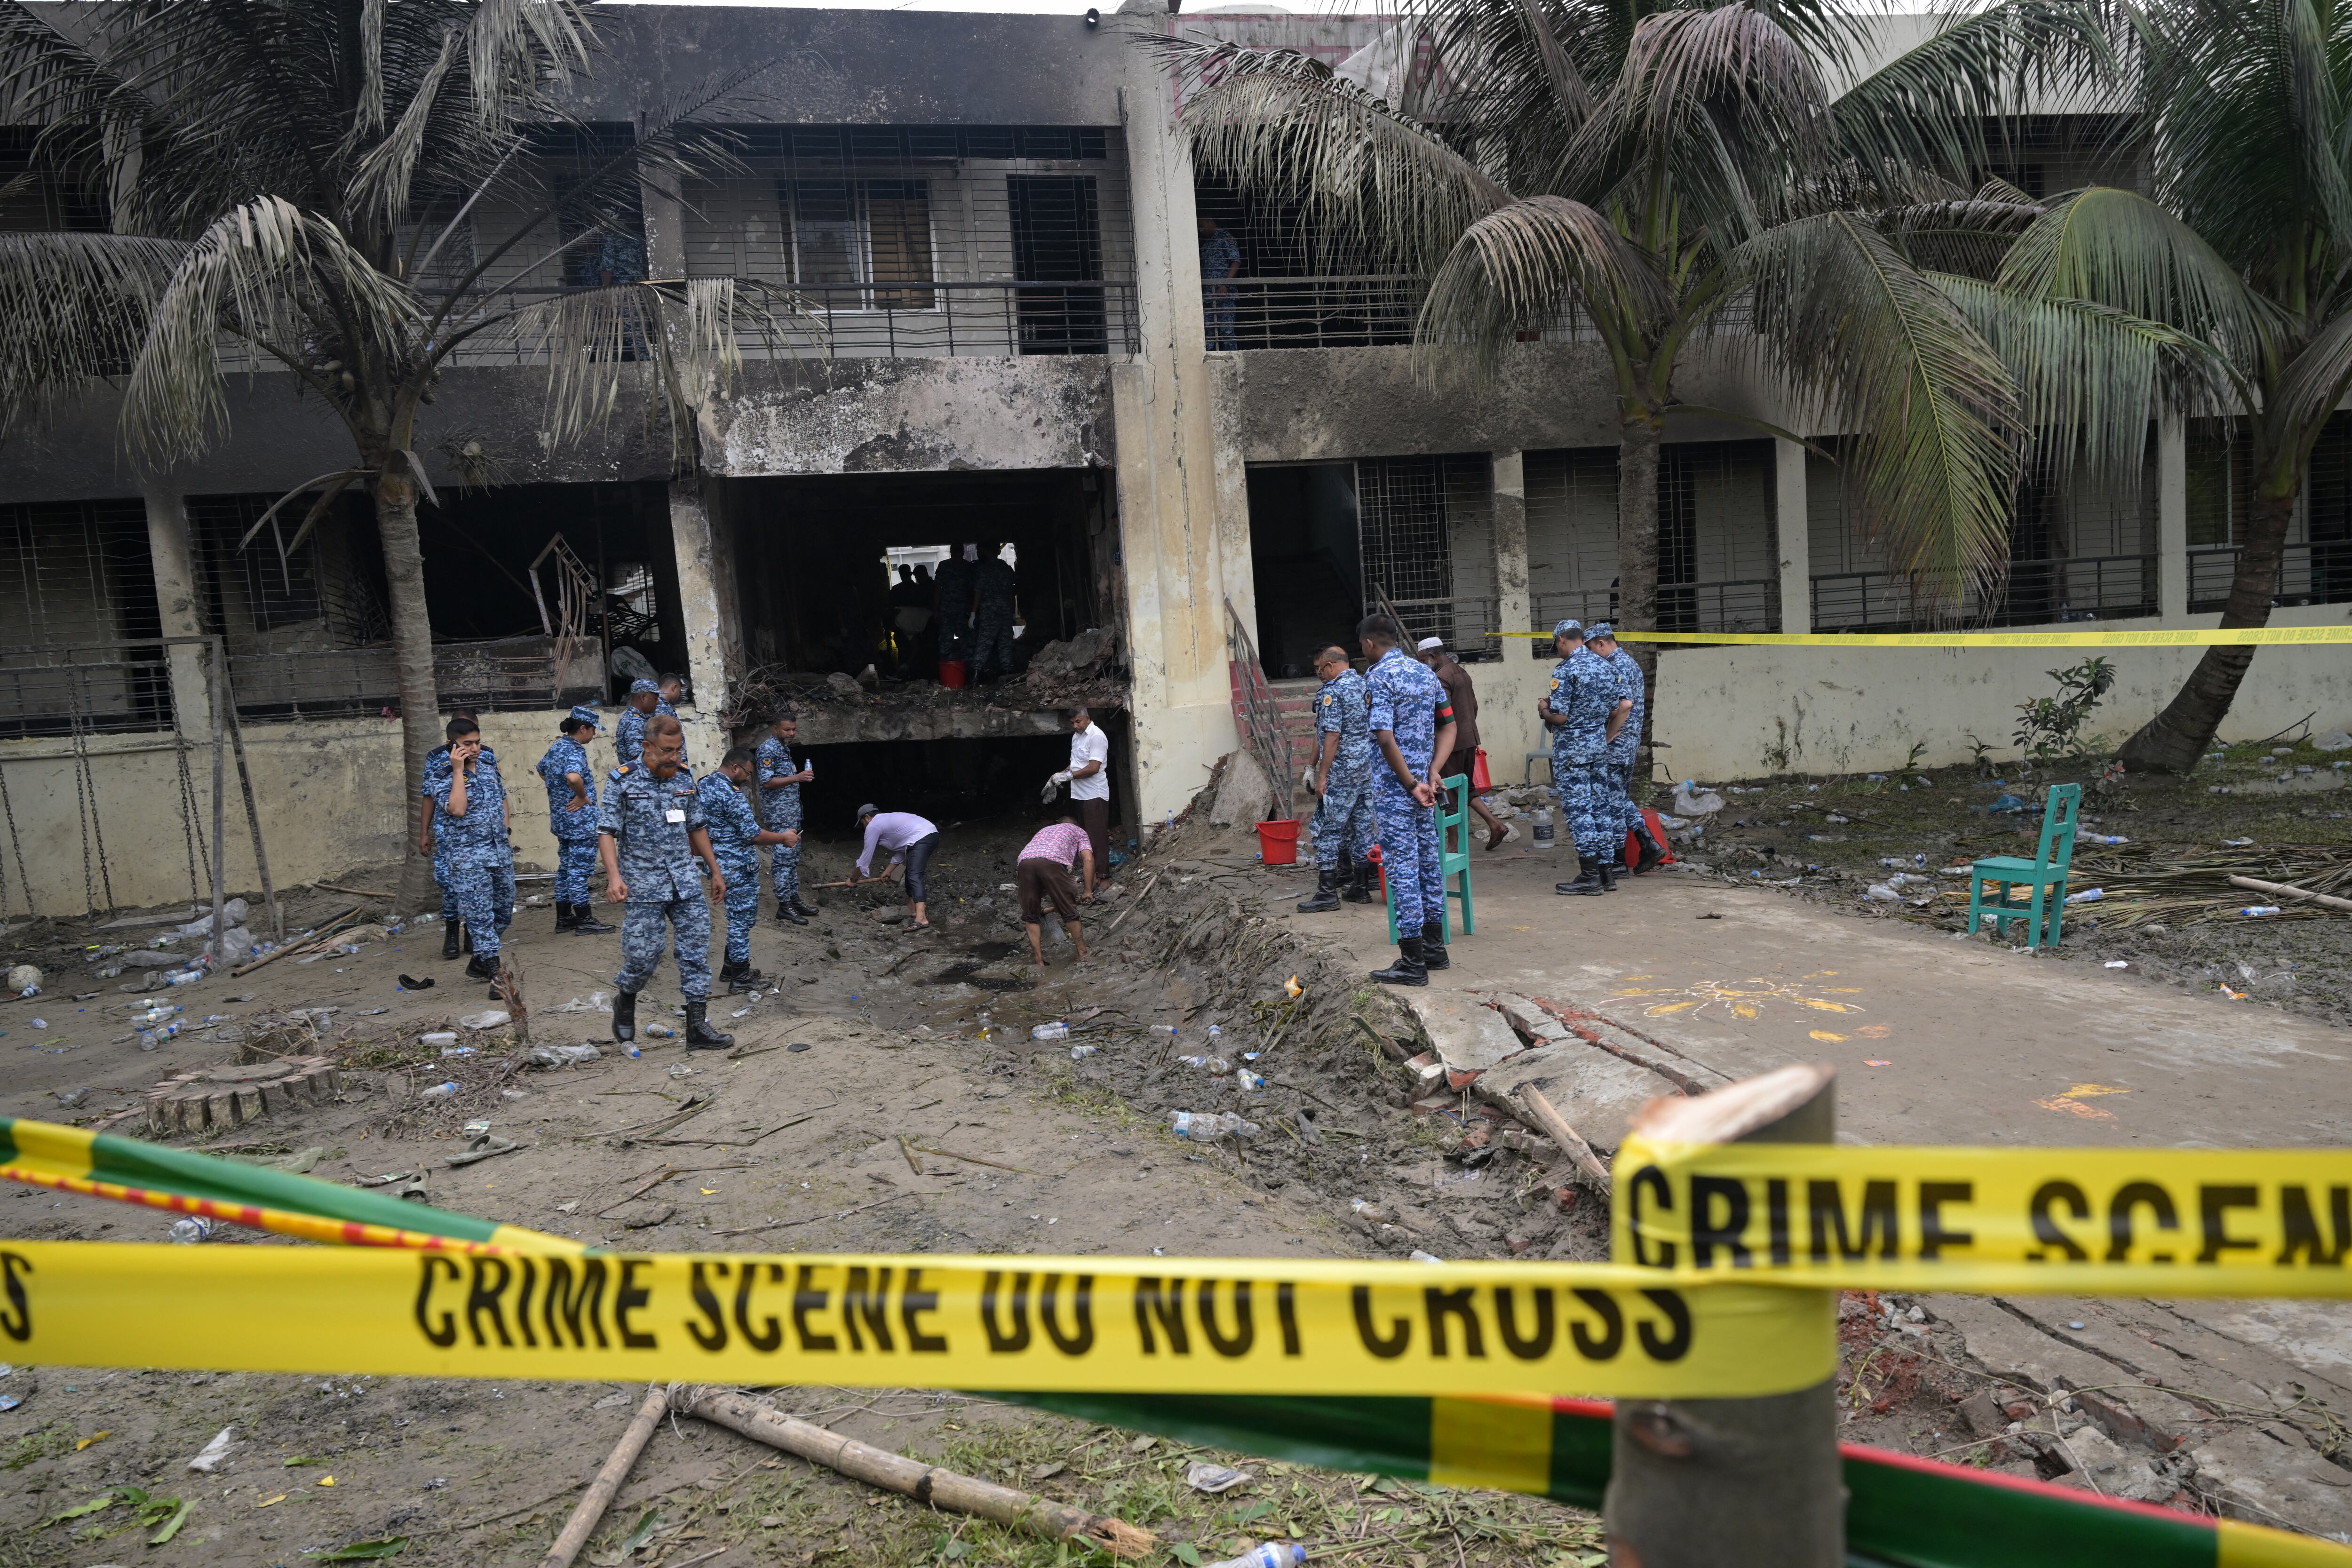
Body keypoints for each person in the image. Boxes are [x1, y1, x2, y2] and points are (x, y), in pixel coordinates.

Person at [598, 713, 732, 1049]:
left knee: (696, 952)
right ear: (647, 746)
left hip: (685, 880)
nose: (675, 757)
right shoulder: (622, 781)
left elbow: (697, 826)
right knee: (645, 955)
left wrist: (714, 870)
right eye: (667, 750)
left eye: (678, 749)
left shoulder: (684, 778)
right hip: (643, 882)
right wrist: (614, 876)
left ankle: (697, 1028)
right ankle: (626, 999)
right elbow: (607, 832)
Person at [1361, 614, 1457, 985]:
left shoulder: (1379, 677)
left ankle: (1412, 962)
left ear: (1370, 644)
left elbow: (1384, 736)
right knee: (1429, 865)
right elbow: (1449, 724)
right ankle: (1435, 950)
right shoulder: (1425, 673)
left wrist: (1410, 783)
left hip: (1397, 790)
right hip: (1425, 788)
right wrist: (1433, 771)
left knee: (1403, 870)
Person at [699, 746, 797, 993]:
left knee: (737, 919)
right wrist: (783, 838)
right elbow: (753, 835)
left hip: (718, 863)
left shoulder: (705, 784)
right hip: (736, 865)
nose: (748, 779)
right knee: (741, 922)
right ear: (735, 768)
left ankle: (730, 969)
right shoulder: (731, 795)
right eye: (747, 773)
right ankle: (741, 979)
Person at [1541, 619, 1627, 895]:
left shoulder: (1566, 670)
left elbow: (1560, 717)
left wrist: (1544, 709)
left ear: (1563, 640)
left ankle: (1590, 876)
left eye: (1557, 644)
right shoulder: (1606, 666)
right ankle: (1606, 873)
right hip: (1599, 749)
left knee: (1580, 813)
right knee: (1600, 809)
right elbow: (1616, 710)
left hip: (1572, 752)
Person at [430, 715, 516, 991]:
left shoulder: (489, 766)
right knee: (480, 918)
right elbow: (457, 809)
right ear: (451, 745)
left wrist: (506, 828)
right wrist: (458, 771)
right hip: (468, 858)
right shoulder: (441, 774)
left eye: (478, 742)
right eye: (468, 744)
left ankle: (480, 961)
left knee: (503, 913)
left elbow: (502, 798)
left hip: (499, 852)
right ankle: (496, 974)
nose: (476, 749)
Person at [1296, 645, 1377, 913]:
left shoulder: (1333, 691)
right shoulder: (1363, 683)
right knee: (1363, 828)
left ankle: (1327, 894)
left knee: (1327, 830)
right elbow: (1324, 732)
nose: (1319, 674)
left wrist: (1322, 776)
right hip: (1365, 770)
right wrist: (1311, 763)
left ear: (1331, 666)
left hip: (1341, 774)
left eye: (1320, 669)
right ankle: (1361, 888)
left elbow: (1332, 735)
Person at [1416, 636, 1510, 852]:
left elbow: (1442, 713)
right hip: (1469, 739)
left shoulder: (1441, 677)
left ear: (1432, 656)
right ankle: (1496, 825)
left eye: (1423, 660)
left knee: (1446, 792)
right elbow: (1474, 706)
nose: (1423, 665)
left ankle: (1453, 844)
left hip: (1452, 743)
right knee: (1466, 788)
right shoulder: (1461, 671)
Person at [1588, 623, 1667, 875]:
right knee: (1616, 798)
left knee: (1614, 798)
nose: (1590, 656)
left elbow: (1622, 706)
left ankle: (1646, 843)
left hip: (1618, 740)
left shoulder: (1614, 665)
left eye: (1591, 649)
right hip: (1629, 740)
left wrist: (1607, 734)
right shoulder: (1629, 662)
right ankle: (1622, 859)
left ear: (1602, 644)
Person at [536, 705, 615, 935]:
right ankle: (584, 920)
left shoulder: (557, 747)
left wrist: (559, 793)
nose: (594, 734)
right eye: (593, 730)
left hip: (563, 821)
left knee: (566, 869)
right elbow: (573, 777)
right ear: (583, 728)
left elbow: (542, 770)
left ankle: (564, 918)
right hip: (580, 823)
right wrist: (581, 796)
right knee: (579, 871)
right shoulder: (574, 752)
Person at [756, 709, 816, 926]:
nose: (791, 733)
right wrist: (797, 777)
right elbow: (767, 782)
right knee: (782, 861)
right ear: (775, 729)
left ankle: (794, 899)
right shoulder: (768, 750)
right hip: (779, 816)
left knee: (792, 860)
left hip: (791, 814)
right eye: (787, 729)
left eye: (794, 729)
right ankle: (784, 905)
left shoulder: (784, 749)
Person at [1015, 811, 1094, 968]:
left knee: (1031, 914)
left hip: (1025, 862)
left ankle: (1039, 960)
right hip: (1052, 861)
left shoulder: (1044, 830)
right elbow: (1088, 859)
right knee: (1069, 911)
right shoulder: (1079, 832)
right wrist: (1087, 891)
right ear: (1075, 825)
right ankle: (1082, 952)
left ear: (1059, 823)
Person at [1050, 707, 1113, 883]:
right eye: (1072, 723)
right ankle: (1091, 875)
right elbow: (1075, 764)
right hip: (1080, 794)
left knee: (1098, 838)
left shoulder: (1097, 736)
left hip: (1095, 794)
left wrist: (1068, 776)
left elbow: (1094, 768)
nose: (1076, 726)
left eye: (1078, 721)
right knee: (1085, 838)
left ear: (1088, 718)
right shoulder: (1076, 737)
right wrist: (1059, 775)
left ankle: (1104, 879)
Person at [851, 804, 940, 929]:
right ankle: (913, 910)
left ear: (867, 817)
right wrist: (889, 870)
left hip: (923, 837)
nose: (864, 827)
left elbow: (865, 859)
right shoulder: (887, 820)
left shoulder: (874, 825)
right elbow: (904, 847)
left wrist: (853, 880)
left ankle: (922, 919)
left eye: (862, 824)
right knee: (911, 873)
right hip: (929, 834)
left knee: (914, 875)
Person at [971, 541, 1018, 682]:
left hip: (989, 611)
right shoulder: (1006, 568)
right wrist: (1011, 612)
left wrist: (973, 612)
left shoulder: (984, 569)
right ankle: (1007, 674)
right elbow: (1012, 592)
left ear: (986, 551)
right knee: (1005, 644)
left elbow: (978, 591)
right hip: (1004, 611)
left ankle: (975, 676)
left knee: (984, 643)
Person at [1199, 215, 1241, 350]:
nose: (1200, 230)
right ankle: (1210, 358)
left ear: (1210, 221)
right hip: (1208, 296)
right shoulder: (1206, 245)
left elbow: (1236, 262)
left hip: (1225, 295)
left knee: (1227, 331)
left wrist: (1225, 285)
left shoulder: (1225, 238)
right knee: (1209, 333)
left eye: (1201, 226)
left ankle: (1233, 359)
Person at [933, 546, 975, 672]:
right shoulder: (965, 566)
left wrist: (936, 609)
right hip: (956, 611)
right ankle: (955, 672)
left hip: (957, 611)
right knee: (953, 643)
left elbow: (937, 589)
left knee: (961, 643)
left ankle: (959, 673)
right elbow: (937, 589)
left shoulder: (964, 567)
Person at [614, 678, 661, 768]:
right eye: (655, 698)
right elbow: (638, 758)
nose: (658, 702)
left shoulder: (637, 718)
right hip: (639, 778)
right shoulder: (634, 722)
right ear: (643, 697)